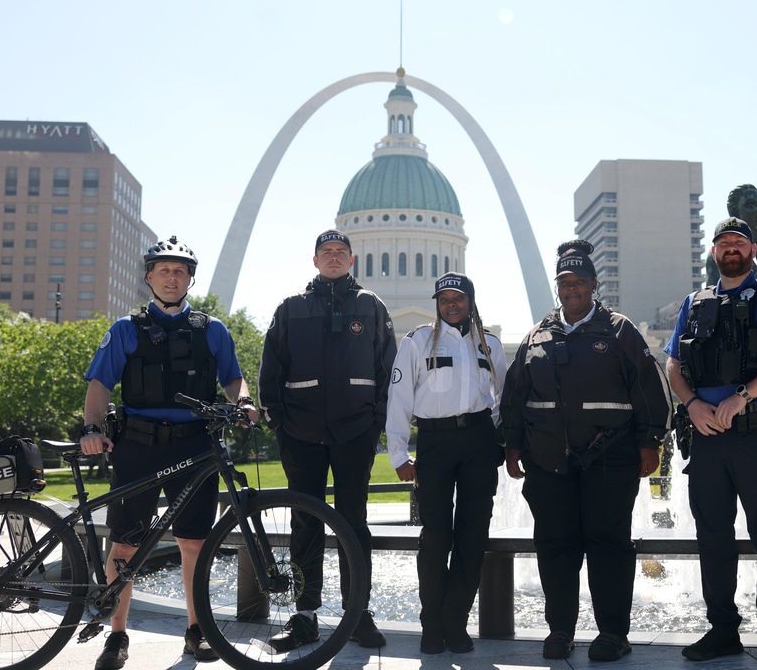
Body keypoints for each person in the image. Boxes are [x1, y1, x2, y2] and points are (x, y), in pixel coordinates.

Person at [80, 236, 255, 670]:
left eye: (180, 271)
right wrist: (90, 428)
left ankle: (197, 632)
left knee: (194, 543)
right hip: (137, 446)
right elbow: (99, 385)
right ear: (149, 277)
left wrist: (245, 403)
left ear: (190, 278)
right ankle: (117, 636)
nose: (172, 277)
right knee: (123, 544)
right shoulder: (124, 329)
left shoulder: (214, 330)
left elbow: (234, 380)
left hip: (196, 445)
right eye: (164, 270)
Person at [502, 239, 670, 663]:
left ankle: (613, 633)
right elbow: (514, 397)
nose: (571, 288)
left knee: (608, 546)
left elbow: (650, 390)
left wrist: (651, 442)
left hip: (610, 461)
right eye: (564, 282)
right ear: (557, 287)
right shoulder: (537, 335)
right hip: (549, 465)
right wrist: (512, 445)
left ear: (594, 285)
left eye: (579, 281)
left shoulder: (619, 331)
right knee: (556, 547)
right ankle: (560, 630)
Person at [665, 217, 757, 670]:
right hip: (707, 439)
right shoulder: (693, 303)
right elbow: (673, 364)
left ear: (752, 250)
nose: (731, 248)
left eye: (739, 242)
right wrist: (691, 404)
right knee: (712, 537)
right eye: (723, 242)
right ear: (714, 252)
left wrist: (743, 396)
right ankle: (724, 630)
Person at [257, 229, 396, 651]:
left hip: (355, 432)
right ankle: (305, 616)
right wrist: (279, 421)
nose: (334, 258)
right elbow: (271, 370)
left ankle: (357, 614)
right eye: (326, 252)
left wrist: (376, 422)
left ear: (352, 261)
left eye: (341, 252)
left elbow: (389, 368)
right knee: (305, 522)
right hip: (300, 433)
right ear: (314, 260)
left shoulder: (371, 306)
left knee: (353, 521)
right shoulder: (291, 308)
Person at [386, 272, 507, 655]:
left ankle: (456, 624)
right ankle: (431, 624)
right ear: (436, 305)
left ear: (471, 301)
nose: (451, 304)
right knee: (436, 537)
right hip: (435, 443)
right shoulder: (417, 341)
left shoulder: (489, 344)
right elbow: (399, 397)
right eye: (444, 299)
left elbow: (503, 398)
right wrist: (399, 454)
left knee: (473, 538)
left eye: (458, 298)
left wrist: (498, 440)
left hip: (478, 442)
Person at [706, 184, 757, 288]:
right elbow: (712, 297)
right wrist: (751, 283)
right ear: (734, 211)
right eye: (751, 204)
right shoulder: (721, 252)